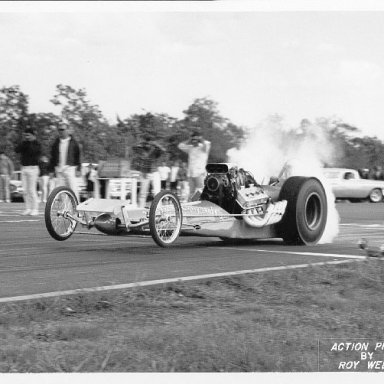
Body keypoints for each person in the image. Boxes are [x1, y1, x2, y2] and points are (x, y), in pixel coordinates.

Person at [48, 122, 81, 201]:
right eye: (59, 130)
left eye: (62, 129)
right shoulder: (55, 143)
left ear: (68, 130)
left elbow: (78, 156)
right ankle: (63, 210)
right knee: (61, 190)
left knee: (73, 189)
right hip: (59, 169)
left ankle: (77, 208)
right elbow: (52, 157)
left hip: (70, 168)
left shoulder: (74, 142)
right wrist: (51, 170)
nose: (61, 131)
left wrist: (79, 169)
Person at [132, 135, 165, 208]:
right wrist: (143, 143)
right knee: (142, 194)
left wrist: (155, 144)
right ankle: (140, 210)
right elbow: (134, 147)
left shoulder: (155, 149)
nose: (148, 143)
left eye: (149, 140)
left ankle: (158, 209)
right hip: (145, 172)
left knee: (157, 193)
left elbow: (163, 150)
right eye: (147, 140)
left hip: (154, 172)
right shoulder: (141, 149)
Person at [15, 128, 42, 215]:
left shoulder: (37, 144)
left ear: (33, 135)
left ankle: (35, 209)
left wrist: (30, 143)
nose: (27, 137)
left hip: (33, 168)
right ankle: (28, 208)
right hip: (24, 168)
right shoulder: (24, 143)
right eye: (25, 135)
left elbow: (33, 151)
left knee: (31, 190)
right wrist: (24, 142)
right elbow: (17, 150)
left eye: (28, 135)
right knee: (25, 190)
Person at [178, 131, 211, 199]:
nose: (194, 141)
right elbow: (180, 146)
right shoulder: (190, 148)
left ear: (199, 140)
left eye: (196, 139)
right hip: (190, 174)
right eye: (193, 140)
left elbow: (206, 145)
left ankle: (197, 203)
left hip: (200, 173)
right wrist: (189, 139)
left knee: (201, 191)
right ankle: (192, 206)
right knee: (191, 192)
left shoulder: (204, 146)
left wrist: (200, 139)